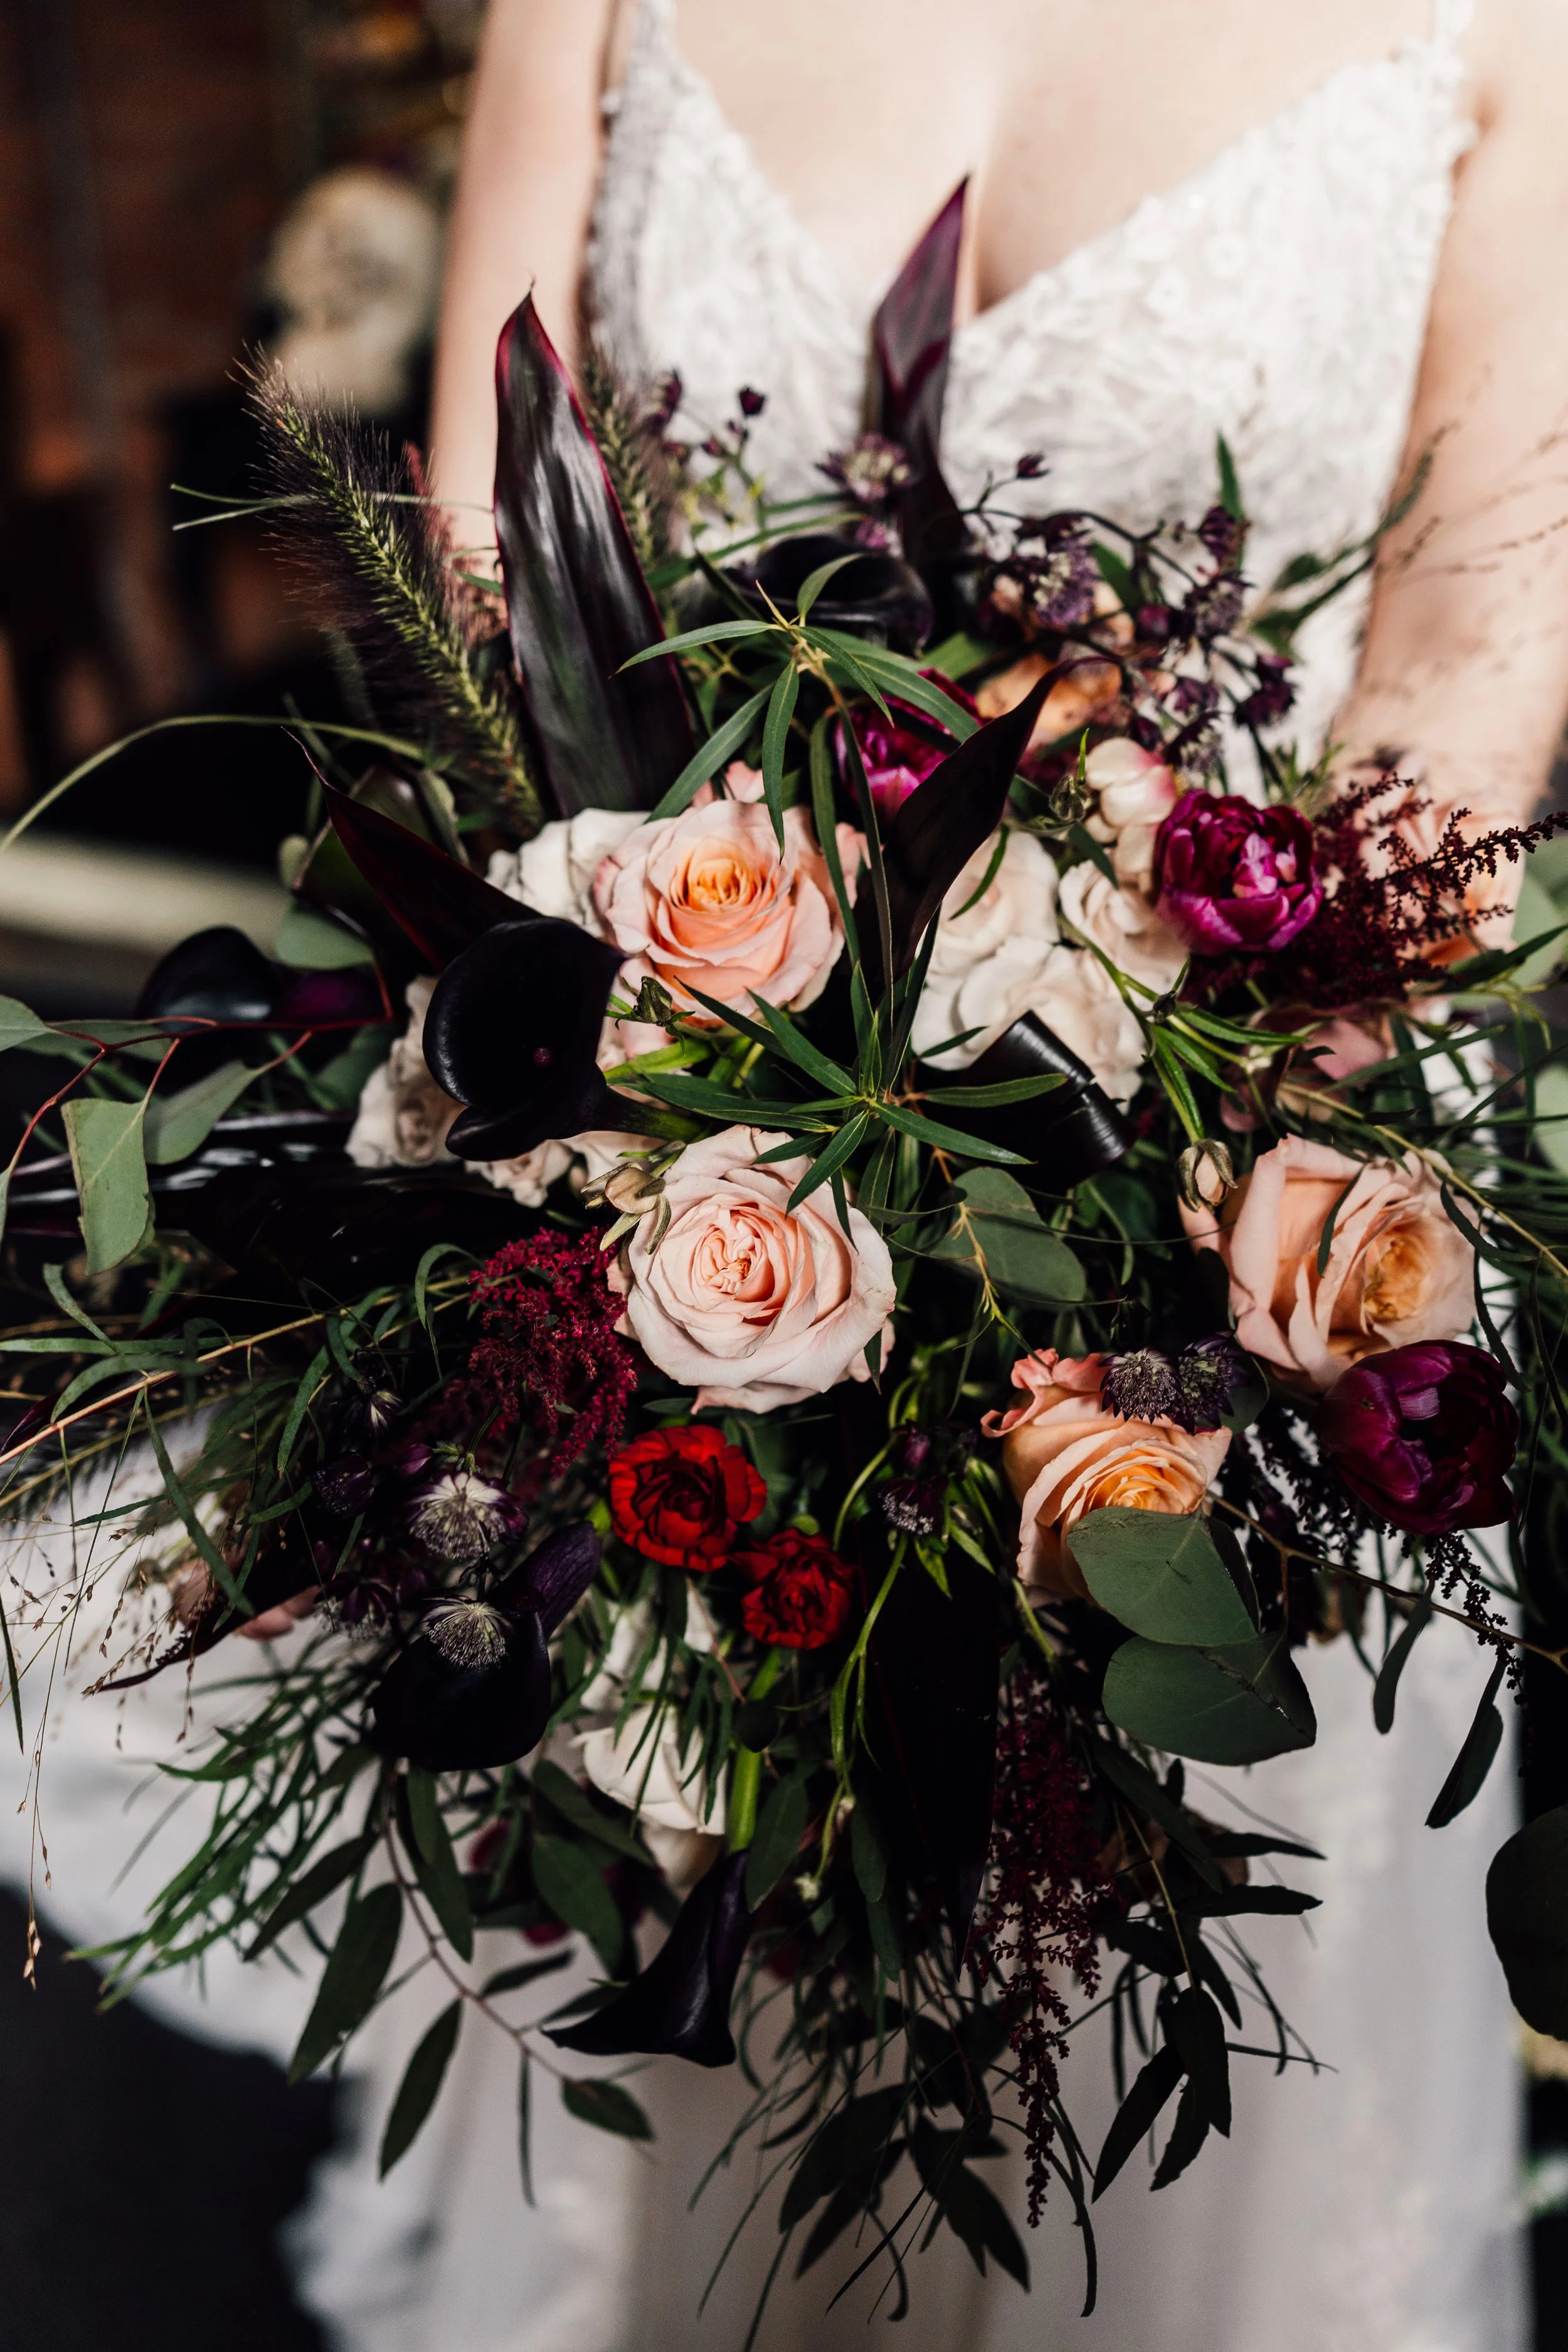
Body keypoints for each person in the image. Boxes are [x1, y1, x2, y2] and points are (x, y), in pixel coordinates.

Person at [420, 2, 1561, 2346]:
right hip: (661, 1166)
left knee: (1149, 2088)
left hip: (1230, 1246)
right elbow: (477, 580)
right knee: (682, 2043)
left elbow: (1470, 650)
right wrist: (647, 1105)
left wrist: (1257, 1114)